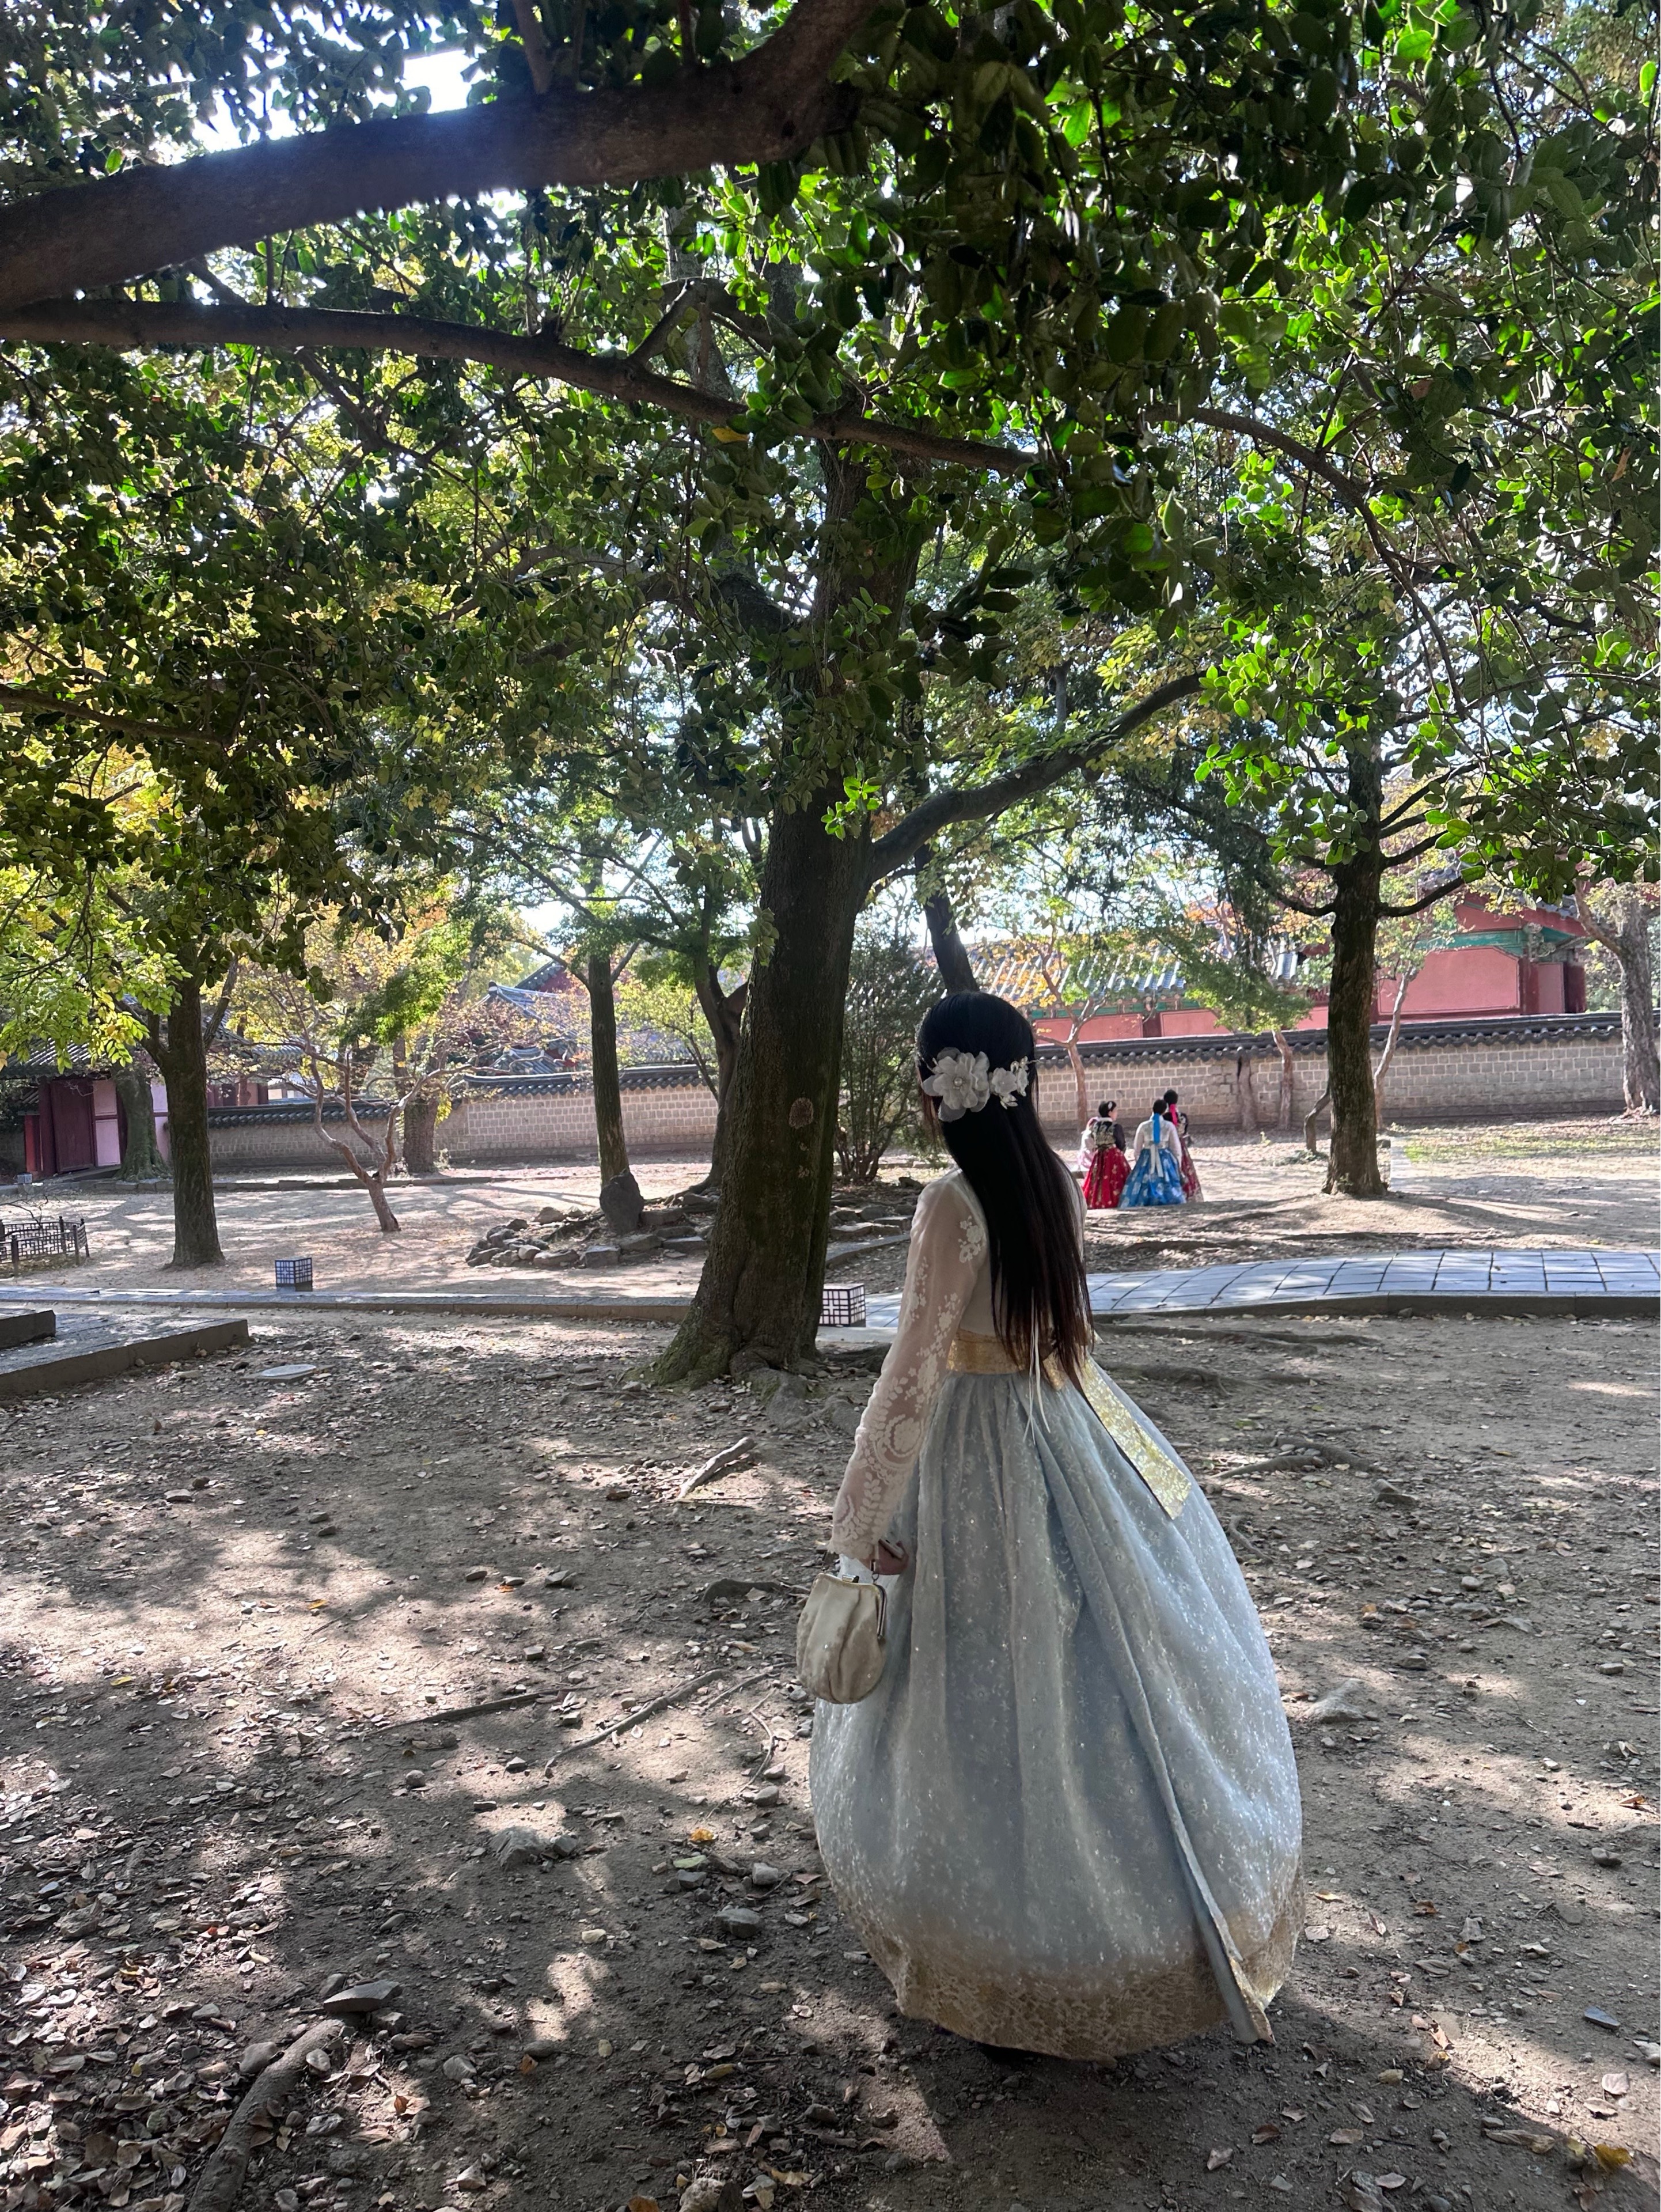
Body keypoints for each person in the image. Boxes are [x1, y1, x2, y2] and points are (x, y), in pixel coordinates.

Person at [810, 991, 1303, 2061]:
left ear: (937, 1087)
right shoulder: (1053, 1182)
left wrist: (857, 1520)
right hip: (1064, 1422)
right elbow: (1063, 1337)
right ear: (1020, 1082)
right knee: (1083, 1675)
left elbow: (911, 1371)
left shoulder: (951, 1204)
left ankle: (996, 1954)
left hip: (972, 1454)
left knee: (977, 1685)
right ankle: (1117, 1935)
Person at [1120, 1097, 1186, 1207]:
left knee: (1144, 1182)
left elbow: (1137, 1148)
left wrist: (1140, 1162)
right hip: (1165, 1159)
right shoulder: (1169, 1126)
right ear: (1164, 1111)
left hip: (1146, 1158)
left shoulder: (1143, 1126)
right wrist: (1177, 1163)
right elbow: (1176, 1148)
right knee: (1167, 1181)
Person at [1079, 1096, 1129, 1210]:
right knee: (1116, 1179)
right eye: (1115, 1111)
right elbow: (1121, 1144)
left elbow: (1093, 1140)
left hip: (1099, 1156)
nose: (1116, 1114)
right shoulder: (1115, 1127)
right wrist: (1120, 1153)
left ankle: (1096, 1200)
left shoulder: (1095, 1126)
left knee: (1098, 1179)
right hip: (1113, 1156)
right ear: (1110, 1113)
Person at [1163, 1086, 1204, 1200]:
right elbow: (1185, 1132)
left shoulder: (1163, 1118)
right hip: (1181, 1146)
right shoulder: (1183, 1117)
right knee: (1185, 1168)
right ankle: (1188, 1195)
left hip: (1168, 1147)